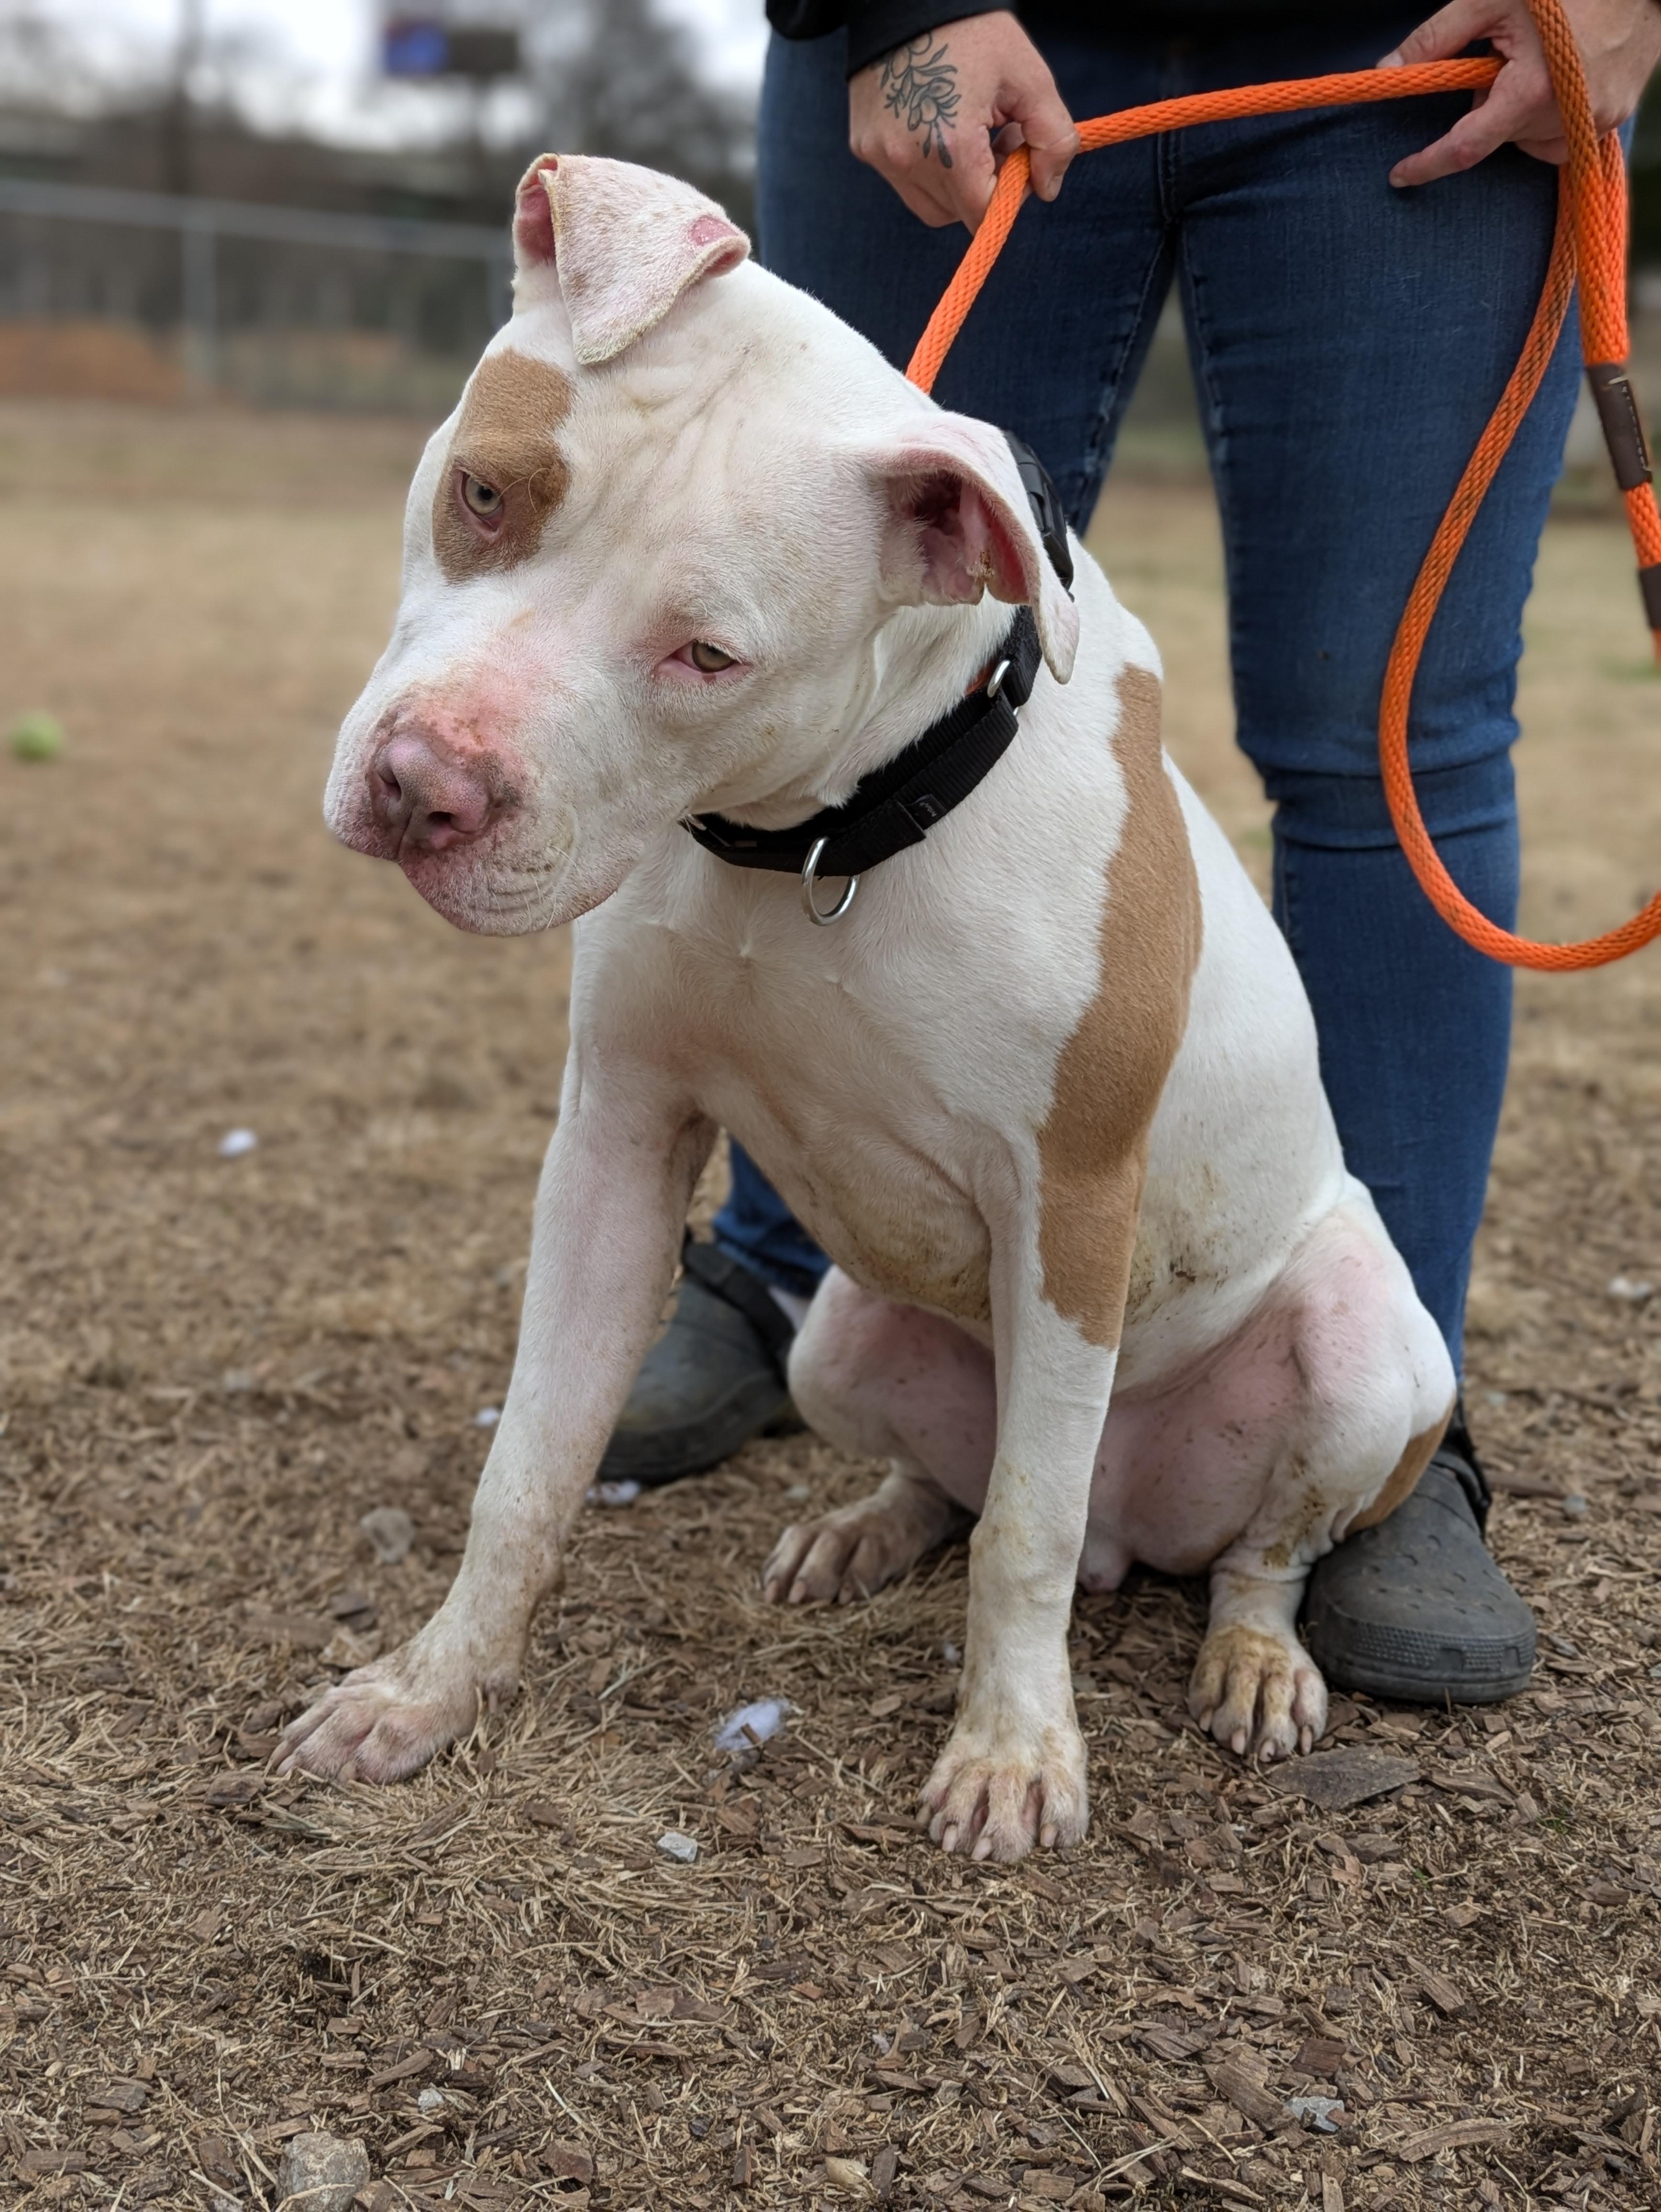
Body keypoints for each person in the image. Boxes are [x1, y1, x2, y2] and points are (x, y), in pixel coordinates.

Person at [601, 0, 1661, 1702]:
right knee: (798, 642)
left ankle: (1374, 1409)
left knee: (1393, 741)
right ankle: (791, 1272)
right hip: (959, 29)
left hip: (1430, 54)